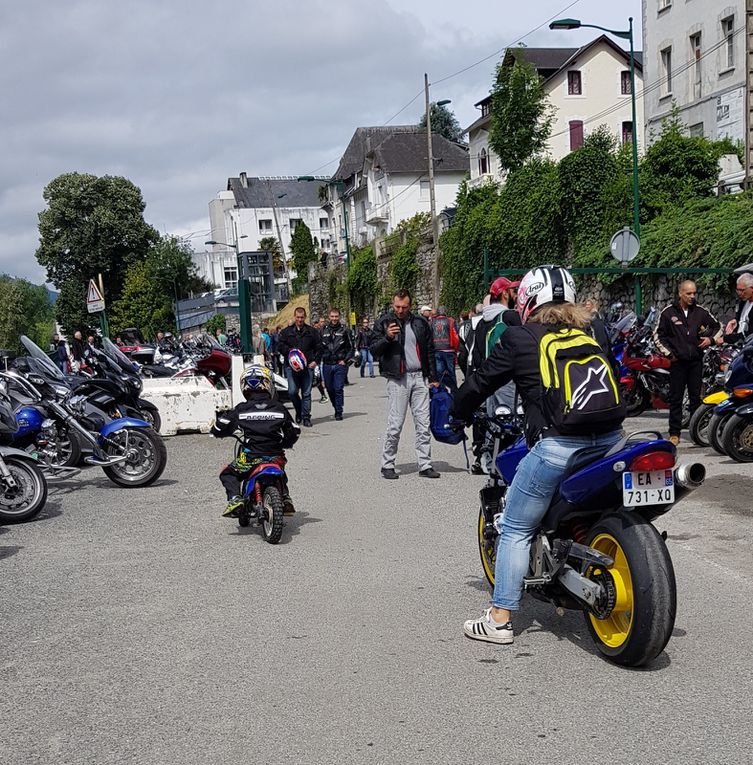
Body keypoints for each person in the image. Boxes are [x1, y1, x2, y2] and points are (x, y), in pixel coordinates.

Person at [453, 265, 625, 645]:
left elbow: (481, 382)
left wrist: (455, 413)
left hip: (559, 446)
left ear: (528, 299)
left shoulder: (521, 337)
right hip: (612, 440)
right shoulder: (594, 330)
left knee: (515, 526)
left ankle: (498, 619)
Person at [212, 365, 300, 518]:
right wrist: (285, 442)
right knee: (281, 469)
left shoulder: (241, 409)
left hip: (251, 456)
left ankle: (235, 499)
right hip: (275, 455)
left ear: (244, 386)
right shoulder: (279, 408)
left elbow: (220, 427)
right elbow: (294, 430)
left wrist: (217, 431)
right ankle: (284, 496)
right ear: (268, 384)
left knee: (227, 473)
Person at [370, 289, 440, 479]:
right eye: (397, 307)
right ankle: (387, 464)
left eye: (404, 307)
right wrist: (387, 337)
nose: (400, 310)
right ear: (393, 304)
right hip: (397, 378)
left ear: (410, 306)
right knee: (395, 424)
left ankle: (425, 464)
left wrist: (433, 377)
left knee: (423, 424)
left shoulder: (420, 323)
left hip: (419, 377)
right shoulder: (384, 322)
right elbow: (373, 350)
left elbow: (429, 351)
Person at [654, 280, 720, 446]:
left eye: (694, 293)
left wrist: (710, 340)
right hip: (678, 362)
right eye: (688, 293)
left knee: (695, 398)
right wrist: (670, 354)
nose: (692, 296)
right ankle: (674, 433)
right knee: (676, 398)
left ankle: (696, 431)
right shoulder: (668, 313)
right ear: (680, 293)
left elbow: (718, 326)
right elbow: (658, 336)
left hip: (696, 361)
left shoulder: (700, 312)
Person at [277, 306, 321, 427]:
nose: (300, 320)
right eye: (298, 317)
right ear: (294, 317)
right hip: (291, 367)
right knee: (292, 392)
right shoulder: (286, 332)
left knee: (306, 393)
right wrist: (291, 352)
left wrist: (315, 361)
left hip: (307, 367)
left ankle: (306, 417)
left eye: (302, 317)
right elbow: (280, 346)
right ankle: (298, 410)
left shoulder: (312, 332)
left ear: (305, 317)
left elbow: (319, 348)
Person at [320, 307, 354, 421]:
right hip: (327, 363)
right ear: (329, 317)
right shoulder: (322, 330)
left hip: (340, 363)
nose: (334, 319)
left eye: (336, 316)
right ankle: (336, 406)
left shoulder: (345, 330)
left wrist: (345, 360)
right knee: (330, 389)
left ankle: (339, 411)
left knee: (338, 388)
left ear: (339, 317)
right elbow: (318, 347)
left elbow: (351, 348)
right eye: (332, 316)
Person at [430, 306, 460, 392]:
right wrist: (455, 348)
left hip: (437, 349)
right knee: (451, 372)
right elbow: (456, 336)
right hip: (449, 349)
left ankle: (442, 391)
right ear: (445, 312)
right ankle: (454, 392)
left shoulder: (432, 322)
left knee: (440, 373)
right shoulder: (450, 321)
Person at [720, 273, 753, 345]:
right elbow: (742, 320)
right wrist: (735, 321)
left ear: (752, 288)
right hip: (738, 345)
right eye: (738, 290)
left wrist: (726, 339)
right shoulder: (743, 302)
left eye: (742, 290)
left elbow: (750, 334)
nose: (740, 293)